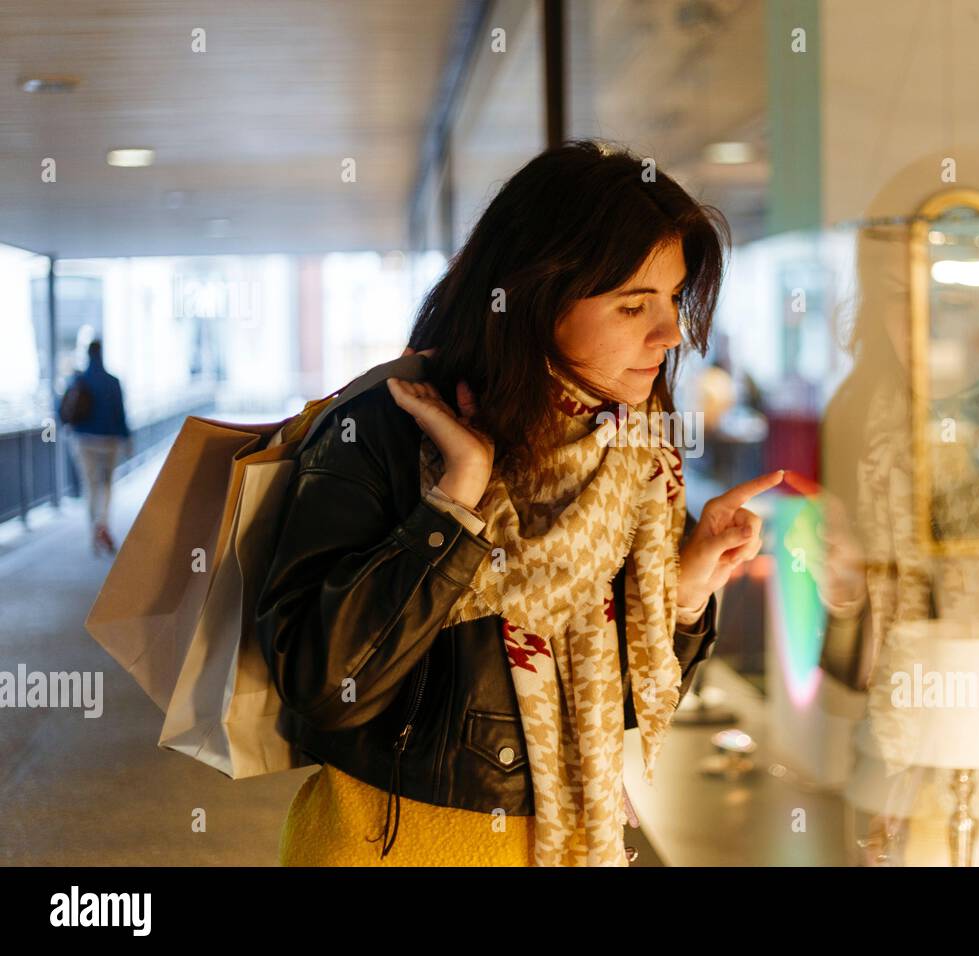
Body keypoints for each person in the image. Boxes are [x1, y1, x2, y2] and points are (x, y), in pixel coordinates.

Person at [255, 140, 782, 866]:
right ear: (536, 296)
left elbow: (622, 705)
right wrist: (453, 507)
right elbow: (324, 683)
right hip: (392, 845)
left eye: (672, 298)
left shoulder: (633, 458)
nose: (668, 334)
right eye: (633, 305)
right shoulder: (389, 425)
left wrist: (685, 592)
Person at [59, 339, 131, 555]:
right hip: (110, 442)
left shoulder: (78, 380)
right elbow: (121, 414)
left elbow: (60, 407)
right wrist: (127, 440)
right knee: (107, 484)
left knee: (89, 485)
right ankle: (103, 524)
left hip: (83, 441)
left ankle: (93, 530)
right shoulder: (112, 381)